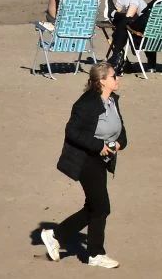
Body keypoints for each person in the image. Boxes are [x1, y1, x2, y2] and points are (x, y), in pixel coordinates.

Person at [41, 62, 127, 268]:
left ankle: (55, 235)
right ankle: (95, 253)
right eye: (114, 76)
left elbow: (120, 128)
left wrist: (119, 143)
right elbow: (72, 132)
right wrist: (98, 145)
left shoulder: (112, 100)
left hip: (102, 159)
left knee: (95, 206)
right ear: (102, 81)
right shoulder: (86, 103)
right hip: (85, 160)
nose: (117, 79)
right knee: (102, 207)